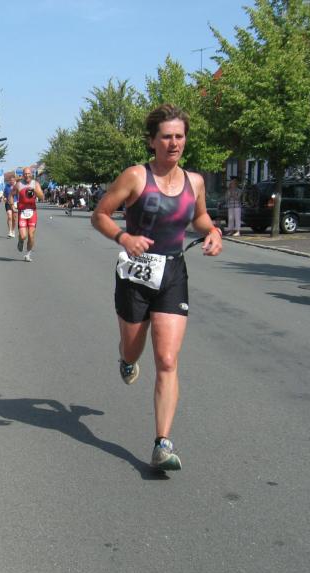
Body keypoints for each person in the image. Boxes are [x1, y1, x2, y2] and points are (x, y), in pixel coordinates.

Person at [91, 104, 222, 471]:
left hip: (172, 273)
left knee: (166, 360)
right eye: (166, 137)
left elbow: (199, 217)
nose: (174, 143)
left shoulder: (195, 182)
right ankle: (126, 358)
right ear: (152, 141)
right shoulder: (136, 176)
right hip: (135, 274)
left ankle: (162, 444)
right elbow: (99, 215)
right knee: (134, 349)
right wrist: (124, 237)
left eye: (179, 136)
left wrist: (212, 231)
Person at [11, 168, 44, 262]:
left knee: (31, 235)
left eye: (28, 173)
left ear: (31, 174)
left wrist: (35, 190)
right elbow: (11, 195)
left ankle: (28, 254)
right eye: (25, 174)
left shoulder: (35, 184)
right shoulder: (19, 184)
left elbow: (42, 197)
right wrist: (12, 205)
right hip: (22, 212)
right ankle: (20, 240)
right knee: (23, 236)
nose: (27, 175)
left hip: (32, 212)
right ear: (23, 175)